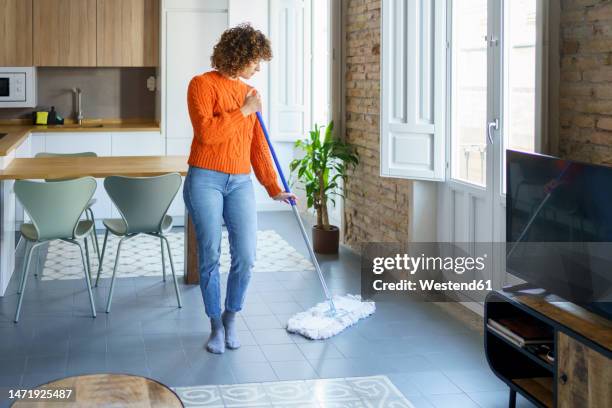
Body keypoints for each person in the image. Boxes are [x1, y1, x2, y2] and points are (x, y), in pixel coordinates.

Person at [184, 24, 296, 354]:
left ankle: (231, 316)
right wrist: (244, 110)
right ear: (241, 56)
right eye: (256, 60)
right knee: (210, 254)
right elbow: (207, 135)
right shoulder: (201, 85)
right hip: (205, 179)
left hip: (240, 182)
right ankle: (215, 326)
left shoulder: (250, 93)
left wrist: (274, 187)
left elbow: (257, 145)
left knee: (246, 256)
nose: (259, 68)